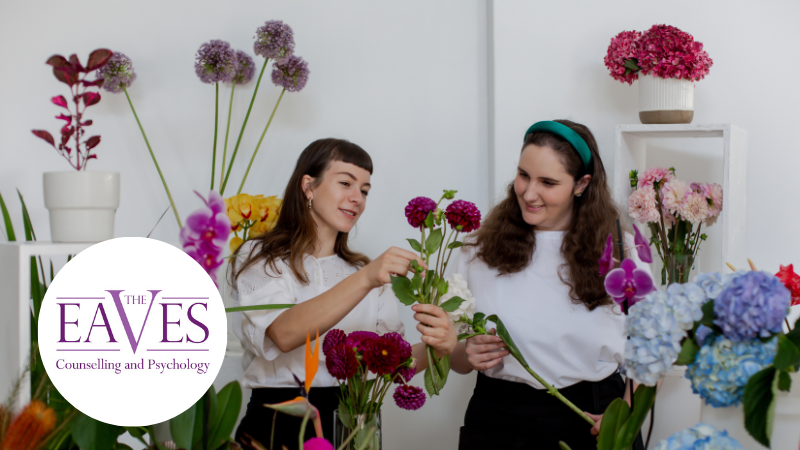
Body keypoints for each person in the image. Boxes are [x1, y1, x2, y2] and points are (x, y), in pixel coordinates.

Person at [229, 138, 457, 450]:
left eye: (364, 190)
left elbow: (385, 366)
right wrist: (366, 278)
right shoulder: (260, 257)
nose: (357, 198)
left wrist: (437, 349)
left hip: (351, 423)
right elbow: (283, 333)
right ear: (308, 186)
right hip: (275, 425)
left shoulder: (366, 273)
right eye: (346, 183)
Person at [450, 120, 649, 450]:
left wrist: (626, 411)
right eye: (523, 175)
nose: (529, 193)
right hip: (498, 421)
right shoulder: (476, 250)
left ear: (581, 184)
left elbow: (652, 345)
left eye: (548, 182)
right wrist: (464, 353)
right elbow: (452, 358)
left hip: (591, 420)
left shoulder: (623, 252)